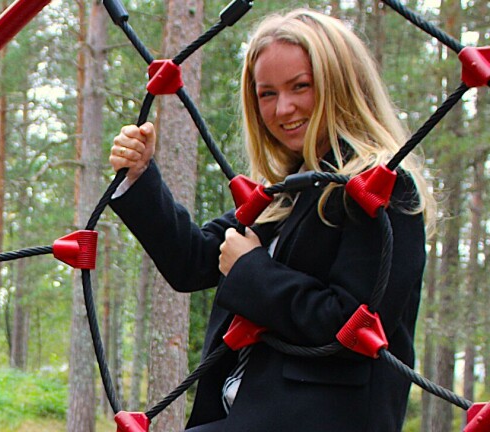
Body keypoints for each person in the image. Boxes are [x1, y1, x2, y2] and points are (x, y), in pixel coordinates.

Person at [108, 9, 433, 432]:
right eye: (266, 94)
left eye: (301, 86)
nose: (284, 108)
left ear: (339, 84)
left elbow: (352, 327)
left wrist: (251, 270)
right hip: (240, 416)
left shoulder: (378, 188)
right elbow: (192, 261)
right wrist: (140, 177)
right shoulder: (288, 193)